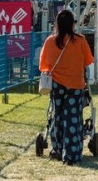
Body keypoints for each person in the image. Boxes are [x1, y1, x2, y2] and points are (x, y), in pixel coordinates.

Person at [39, 9, 94, 165]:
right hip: (75, 85)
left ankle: (57, 148)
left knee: (58, 117)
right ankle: (71, 153)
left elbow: (44, 65)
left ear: (56, 23)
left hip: (57, 85)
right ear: (72, 24)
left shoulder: (50, 41)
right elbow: (88, 61)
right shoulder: (80, 41)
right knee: (73, 119)